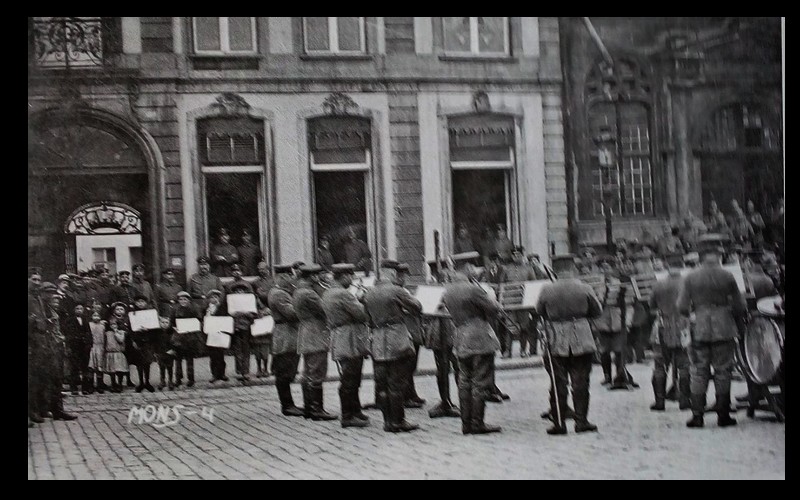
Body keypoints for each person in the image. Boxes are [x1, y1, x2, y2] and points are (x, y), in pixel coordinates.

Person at [678, 245, 747, 428]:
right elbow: (740, 306)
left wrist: (695, 311)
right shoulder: (728, 276)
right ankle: (723, 415)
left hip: (699, 327)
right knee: (723, 371)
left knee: (699, 371)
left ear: (701, 257)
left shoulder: (691, 277)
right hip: (723, 327)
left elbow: (682, 307)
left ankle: (697, 416)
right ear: (719, 256)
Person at [535, 256, 603, 435]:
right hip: (581, 336)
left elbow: (539, 311)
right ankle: (581, 421)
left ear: (555, 270)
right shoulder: (584, 287)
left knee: (558, 383)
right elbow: (597, 311)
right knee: (581, 382)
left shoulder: (546, 289)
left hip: (556, 337)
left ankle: (559, 423)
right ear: (573, 268)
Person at [362, 261, 423, 433]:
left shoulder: (370, 293)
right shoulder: (397, 290)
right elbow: (417, 307)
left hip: (378, 340)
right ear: (392, 273)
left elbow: (367, 318)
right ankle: (398, 421)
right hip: (396, 338)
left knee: (382, 384)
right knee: (396, 382)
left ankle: (387, 421)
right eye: (396, 273)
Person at [442, 265, 503, 435]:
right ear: (467, 269)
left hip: (460, 337)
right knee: (480, 381)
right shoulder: (473, 289)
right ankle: (477, 424)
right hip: (479, 337)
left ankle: (466, 424)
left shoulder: (448, 291)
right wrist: (490, 296)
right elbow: (494, 309)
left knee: (464, 381)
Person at [321, 263, 371, 428]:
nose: (352, 279)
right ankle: (348, 415)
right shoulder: (344, 294)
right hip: (349, 339)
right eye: (350, 276)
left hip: (340, 337)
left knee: (351, 377)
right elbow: (361, 314)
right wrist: (362, 298)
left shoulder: (328, 292)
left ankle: (355, 411)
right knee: (350, 378)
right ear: (343, 276)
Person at [292, 264, 337, 421]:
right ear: (312, 276)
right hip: (315, 333)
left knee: (308, 372)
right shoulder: (309, 293)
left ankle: (308, 407)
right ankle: (317, 409)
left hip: (306, 332)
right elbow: (325, 308)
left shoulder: (299, 290)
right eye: (317, 275)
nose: (319, 277)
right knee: (317, 372)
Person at [649, 266, 691, 411]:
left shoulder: (658, 284)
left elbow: (651, 306)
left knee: (660, 365)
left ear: (667, 266)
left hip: (662, 326)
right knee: (685, 365)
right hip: (683, 326)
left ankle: (659, 402)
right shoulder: (687, 282)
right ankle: (685, 401)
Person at [37, 284, 78, 420]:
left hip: (56, 347)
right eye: (49, 293)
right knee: (49, 379)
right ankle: (50, 409)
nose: (52, 297)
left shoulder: (53, 310)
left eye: (53, 294)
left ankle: (56, 409)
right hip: (47, 348)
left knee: (56, 379)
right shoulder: (42, 310)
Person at [268, 264, 304, 417]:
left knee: (288, 370)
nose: (292, 280)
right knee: (284, 371)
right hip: (286, 335)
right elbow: (292, 314)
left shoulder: (279, 292)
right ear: (282, 277)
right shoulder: (279, 294)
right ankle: (287, 405)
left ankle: (289, 404)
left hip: (286, 334)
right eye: (290, 277)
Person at [395, 262, 427, 408]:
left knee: (412, 365)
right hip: (408, 332)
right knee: (407, 366)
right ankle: (406, 397)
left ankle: (412, 394)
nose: (404, 278)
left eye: (405, 276)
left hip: (414, 331)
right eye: (401, 276)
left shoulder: (404, 291)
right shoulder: (399, 292)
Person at [593, 257, 628, 387]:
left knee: (618, 349)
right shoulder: (597, 284)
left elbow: (625, 301)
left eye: (607, 268)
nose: (605, 271)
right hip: (602, 319)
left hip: (616, 318)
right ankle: (607, 376)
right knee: (604, 350)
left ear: (612, 269)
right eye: (602, 268)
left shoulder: (618, 283)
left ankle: (619, 374)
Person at [504, 246, 539, 358]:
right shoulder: (507, 269)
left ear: (522, 255)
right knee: (510, 326)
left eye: (518, 254)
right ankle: (507, 351)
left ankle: (523, 350)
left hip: (523, 301)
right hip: (510, 301)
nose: (516, 257)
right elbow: (502, 284)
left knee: (524, 327)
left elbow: (533, 284)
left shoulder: (528, 269)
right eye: (514, 255)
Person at [170, 291, 200, 388]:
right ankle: (178, 378)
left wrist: (192, 327)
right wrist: (174, 328)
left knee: (189, 359)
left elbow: (198, 320)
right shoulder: (175, 309)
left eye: (185, 299)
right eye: (181, 299)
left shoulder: (194, 308)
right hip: (179, 337)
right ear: (178, 300)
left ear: (188, 300)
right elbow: (171, 322)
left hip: (190, 337)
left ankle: (191, 379)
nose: (183, 301)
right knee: (178, 359)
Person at [229, 277, 257, 383]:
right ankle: (239, 370)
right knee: (237, 350)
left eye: (241, 291)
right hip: (235, 328)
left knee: (246, 350)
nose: (239, 292)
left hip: (246, 328)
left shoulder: (249, 301)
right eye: (237, 291)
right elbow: (230, 313)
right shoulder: (231, 301)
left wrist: (246, 313)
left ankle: (246, 371)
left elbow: (253, 314)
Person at [62, 303, 92, 395]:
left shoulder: (86, 320)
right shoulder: (70, 321)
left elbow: (89, 333)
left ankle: (85, 388)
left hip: (84, 347)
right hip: (74, 347)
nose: (79, 310)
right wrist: (69, 346)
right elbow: (68, 334)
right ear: (74, 310)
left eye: (81, 309)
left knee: (85, 368)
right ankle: (74, 388)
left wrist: (89, 344)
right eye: (77, 309)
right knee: (74, 367)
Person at [129, 294, 156, 393]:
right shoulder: (132, 314)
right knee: (139, 363)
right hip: (138, 341)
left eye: (142, 302)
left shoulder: (150, 314)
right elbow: (130, 329)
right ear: (135, 303)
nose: (140, 304)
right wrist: (133, 340)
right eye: (138, 302)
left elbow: (154, 328)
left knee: (147, 363)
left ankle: (147, 382)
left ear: (146, 303)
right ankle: (141, 382)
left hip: (147, 341)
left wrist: (148, 329)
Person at [252, 261, 274, 377]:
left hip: (269, 314)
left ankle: (266, 368)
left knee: (266, 343)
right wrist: (258, 309)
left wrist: (269, 309)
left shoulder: (273, 281)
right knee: (257, 344)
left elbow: (274, 296)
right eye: (259, 269)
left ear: (268, 269)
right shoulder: (255, 282)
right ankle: (259, 368)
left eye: (263, 269)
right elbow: (253, 297)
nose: (261, 271)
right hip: (258, 314)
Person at [204, 289, 229, 383]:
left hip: (220, 332)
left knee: (221, 355)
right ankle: (214, 374)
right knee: (213, 355)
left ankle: (222, 374)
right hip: (211, 333)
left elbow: (225, 319)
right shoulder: (206, 308)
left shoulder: (222, 308)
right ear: (209, 299)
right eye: (212, 297)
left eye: (216, 297)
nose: (214, 299)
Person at [104, 303, 130, 393]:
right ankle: (113, 383)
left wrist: (116, 332)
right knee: (112, 370)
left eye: (115, 324)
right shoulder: (107, 333)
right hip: (110, 352)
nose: (113, 325)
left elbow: (121, 340)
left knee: (120, 369)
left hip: (119, 352)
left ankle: (119, 384)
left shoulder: (121, 331)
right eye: (112, 324)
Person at [86, 311, 107, 394]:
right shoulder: (89, 325)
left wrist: (105, 347)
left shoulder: (103, 326)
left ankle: (100, 385)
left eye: (98, 315)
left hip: (100, 347)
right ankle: (91, 385)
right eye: (94, 315)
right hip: (92, 347)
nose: (96, 317)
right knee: (91, 367)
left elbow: (105, 337)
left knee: (99, 367)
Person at [154, 316, 175, 391]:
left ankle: (170, 381)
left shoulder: (172, 332)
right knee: (161, 367)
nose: (164, 324)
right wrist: (156, 352)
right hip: (160, 352)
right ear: (159, 323)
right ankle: (162, 381)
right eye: (162, 322)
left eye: (166, 322)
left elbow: (175, 342)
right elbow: (155, 343)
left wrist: (173, 349)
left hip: (169, 352)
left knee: (170, 367)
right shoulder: (157, 332)